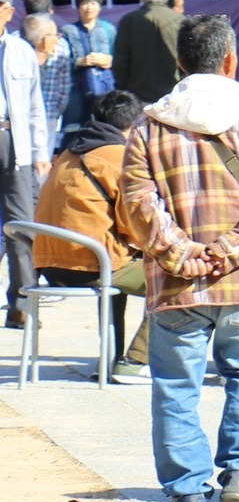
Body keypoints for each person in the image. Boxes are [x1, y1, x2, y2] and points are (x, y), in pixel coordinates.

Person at [120, 14, 239, 502]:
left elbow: (138, 202)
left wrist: (182, 254)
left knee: (177, 386)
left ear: (179, 63)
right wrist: (229, 251)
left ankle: (186, 497)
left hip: (178, 285)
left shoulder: (149, 125)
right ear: (230, 61)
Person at [33, 90, 151, 376]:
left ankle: (112, 358)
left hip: (48, 264)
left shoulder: (68, 152)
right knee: (176, 281)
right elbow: (133, 227)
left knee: (117, 261)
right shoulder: (119, 157)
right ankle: (136, 362)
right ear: (133, 125)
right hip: (92, 265)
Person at [1, 0, 54, 331]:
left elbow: (36, 107)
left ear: (7, 11)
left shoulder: (21, 50)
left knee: (21, 224)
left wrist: (40, 150)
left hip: (13, 139)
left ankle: (21, 303)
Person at [113, 0, 183, 102]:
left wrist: (122, 91)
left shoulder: (129, 21)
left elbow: (120, 64)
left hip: (137, 100)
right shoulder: (180, 21)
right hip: (173, 99)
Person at [60, 0, 118, 141]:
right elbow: (60, 62)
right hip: (76, 90)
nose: (89, 8)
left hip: (103, 89)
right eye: (84, 3)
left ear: (99, 6)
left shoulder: (109, 30)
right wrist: (80, 61)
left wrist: (109, 60)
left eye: (93, 3)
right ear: (78, 7)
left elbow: (120, 57)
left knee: (103, 130)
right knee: (73, 133)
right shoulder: (68, 31)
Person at [25, 13, 69, 149]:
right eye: (54, 36)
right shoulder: (22, 53)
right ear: (42, 39)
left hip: (49, 114)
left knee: (42, 162)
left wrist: (57, 112)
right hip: (23, 117)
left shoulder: (61, 51)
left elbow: (64, 87)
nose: (57, 39)